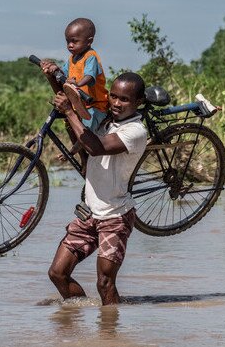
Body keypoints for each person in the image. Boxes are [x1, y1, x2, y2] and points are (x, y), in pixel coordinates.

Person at [48, 72, 147, 305]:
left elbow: (95, 146)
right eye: (113, 96)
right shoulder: (104, 119)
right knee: (57, 273)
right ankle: (79, 316)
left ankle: (110, 336)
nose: (116, 103)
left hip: (115, 216)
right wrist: (53, 78)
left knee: (104, 283)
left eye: (124, 99)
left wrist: (71, 113)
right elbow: (71, 104)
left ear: (138, 102)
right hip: (88, 213)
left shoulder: (135, 132)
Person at [40, 18, 109, 132]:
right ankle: (78, 148)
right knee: (71, 127)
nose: (70, 45)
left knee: (86, 133)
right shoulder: (72, 58)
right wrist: (55, 69)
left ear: (89, 41)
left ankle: (81, 148)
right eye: (68, 41)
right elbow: (63, 74)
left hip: (94, 105)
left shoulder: (91, 56)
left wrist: (78, 83)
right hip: (80, 105)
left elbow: (89, 76)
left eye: (74, 41)